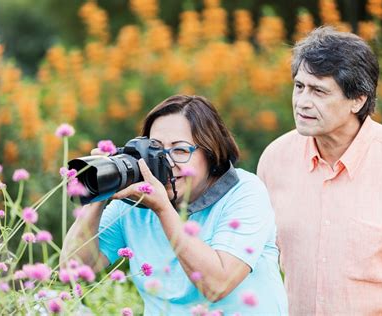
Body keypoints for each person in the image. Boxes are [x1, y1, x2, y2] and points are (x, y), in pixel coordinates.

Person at [61, 95, 288, 315]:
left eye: (180, 150)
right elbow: (73, 272)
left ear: (211, 152)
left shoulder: (244, 192)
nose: (167, 162)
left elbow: (217, 284)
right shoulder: (135, 201)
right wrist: (99, 194)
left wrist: (163, 209)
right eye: (155, 149)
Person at [257, 26, 382, 314]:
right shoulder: (275, 160)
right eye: (299, 86)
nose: (302, 102)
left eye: (319, 91)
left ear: (358, 100)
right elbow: (261, 262)